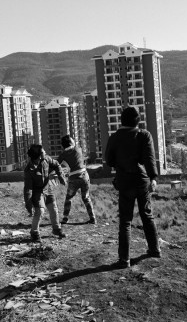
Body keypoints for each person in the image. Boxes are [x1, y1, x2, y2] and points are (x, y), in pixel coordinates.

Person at [104, 106, 161, 268]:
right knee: (147, 215)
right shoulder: (144, 135)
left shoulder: (114, 137)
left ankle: (124, 259)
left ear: (122, 120)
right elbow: (149, 158)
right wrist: (153, 178)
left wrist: (121, 163)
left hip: (124, 181)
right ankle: (154, 249)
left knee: (125, 221)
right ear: (138, 120)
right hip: (142, 181)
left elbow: (109, 161)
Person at [23, 144, 67, 242]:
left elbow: (57, 165)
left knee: (53, 208)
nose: (45, 152)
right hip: (37, 192)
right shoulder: (29, 170)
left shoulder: (46, 159)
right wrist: (28, 204)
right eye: (43, 152)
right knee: (40, 211)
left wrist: (61, 176)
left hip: (48, 188)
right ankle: (34, 233)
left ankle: (56, 229)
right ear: (38, 155)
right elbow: (28, 189)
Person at [57, 135, 96, 225]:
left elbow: (57, 164)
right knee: (86, 197)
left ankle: (65, 218)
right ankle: (92, 218)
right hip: (84, 176)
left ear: (63, 146)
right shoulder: (79, 149)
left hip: (73, 179)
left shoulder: (63, 155)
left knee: (69, 198)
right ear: (71, 142)